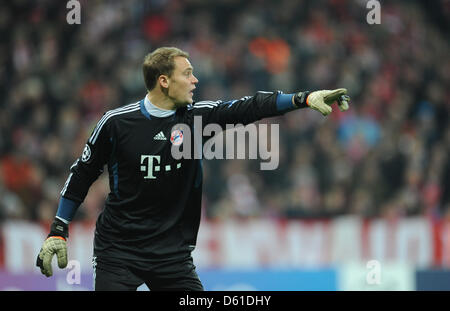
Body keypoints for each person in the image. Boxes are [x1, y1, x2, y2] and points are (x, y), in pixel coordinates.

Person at [36, 47, 350, 291]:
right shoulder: (116, 123)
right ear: (164, 81)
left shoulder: (196, 119)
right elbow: (83, 172)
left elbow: (249, 106)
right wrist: (59, 230)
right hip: (118, 252)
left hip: (172, 254)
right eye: (187, 73)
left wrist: (304, 98)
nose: (195, 80)